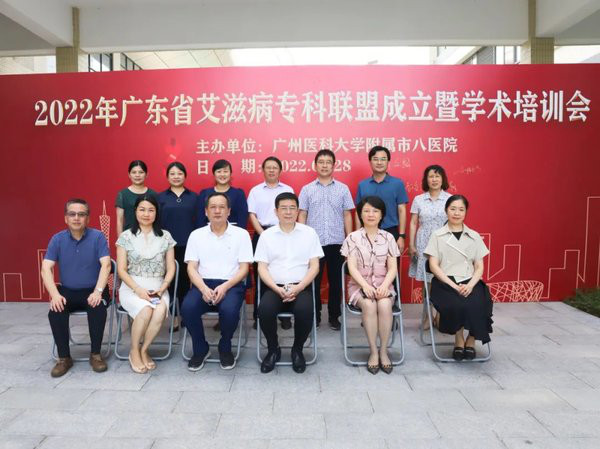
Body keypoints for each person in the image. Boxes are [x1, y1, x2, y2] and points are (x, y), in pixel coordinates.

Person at [181, 192, 253, 371]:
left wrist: (226, 286)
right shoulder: (196, 235)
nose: (217, 211)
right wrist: (203, 288)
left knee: (229, 310)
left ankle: (225, 346)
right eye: (213, 207)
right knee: (188, 308)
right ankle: (200, 348)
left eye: (222, 207)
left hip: (231, 284)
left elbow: (244, 268)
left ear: (229, 211)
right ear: (206, 211)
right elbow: (191, 268)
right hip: (203, 283)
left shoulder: (241, 234)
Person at [42, 199, 111, 377]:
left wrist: (98, 291)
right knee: (56, 310)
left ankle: (96, 355)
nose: (76, 218)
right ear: (66, 218)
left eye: (81, 214)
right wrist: (55, 295)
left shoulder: (98, 237)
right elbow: (46, 268)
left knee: (97, 308)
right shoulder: (57, 239)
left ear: (88, 218)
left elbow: (106, 265)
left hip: (94, 289)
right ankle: (64, 358)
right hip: (68, 290)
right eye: (72, 214)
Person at [255, 192, 323, 373]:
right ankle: (273, 349)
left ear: (298, 211)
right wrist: (277, 289)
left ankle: (297, 350)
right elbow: (262, 268)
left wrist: (299, 287)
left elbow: (314, 266)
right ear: (276, 211)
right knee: (264, 310)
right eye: (284, 208)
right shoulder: (266, 235)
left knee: (305, 310)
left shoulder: (309, 233)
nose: (288, 212)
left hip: (301, 287)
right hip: (274, 287)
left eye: (292, 208)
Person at [424, 194, 493, 361]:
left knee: (479, 302)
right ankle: (459, 339)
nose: (456, 213)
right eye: (453, 209)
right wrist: (454, 286)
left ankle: (471, 339)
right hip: (445, 281)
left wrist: (470, 285)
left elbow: (479, 267)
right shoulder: (437, 235)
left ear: (466, 212)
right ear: (446, 210)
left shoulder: (474, 235)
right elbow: (433, 266)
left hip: (470, 281)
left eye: (461, 209)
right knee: (456, 303)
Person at [116, 195, 176, 373]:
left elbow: (171, 267)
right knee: (146, 309)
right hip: (132, 287)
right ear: (135, 212)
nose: (146, 214)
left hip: (158, 287)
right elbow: (121, 270)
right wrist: (138, 290)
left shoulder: (165, 236)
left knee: (160, 311)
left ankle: (144, 350)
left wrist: (163, 287)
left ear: (156, 213)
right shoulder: (126, 236)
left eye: (151, 210)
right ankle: (134, 350)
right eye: (142, 209)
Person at [341, 196, 400, 374]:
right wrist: (365, 286)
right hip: (359, 286)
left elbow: (393, 268)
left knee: (384, 304)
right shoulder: (352, 238)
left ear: (382, 215)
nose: (371, 214)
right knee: (369, 304)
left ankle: (384, 352)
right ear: (360, 214)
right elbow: (351, 267)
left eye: (375, 211)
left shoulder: (389, 237)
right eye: (366, 211)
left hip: (384, 285)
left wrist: (385, 286)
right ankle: (373, 352)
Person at [298, 149, 354, 330]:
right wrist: (301, 240)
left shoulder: (343, 188)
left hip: (337, 242)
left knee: (336, 282)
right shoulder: (307, 189)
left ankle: (334, 316)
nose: (324, 165)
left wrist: (350, 240)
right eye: (321, 162)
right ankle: (314, 316)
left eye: (328, 162)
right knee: (312, 282)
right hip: (313, 243)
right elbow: (302, 214)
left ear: (334, 165)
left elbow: (347, 215)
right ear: (315, 165)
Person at [247, 156, 294, 329]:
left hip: (285, 234)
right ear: (263, 170)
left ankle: (285, 315)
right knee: (261, 275)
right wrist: (264, 234)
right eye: (268, 167)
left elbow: (291, 213)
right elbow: (252, 214)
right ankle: (259, 315)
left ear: (280, 170)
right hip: (262, 234)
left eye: (275, 167)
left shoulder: (288, 190)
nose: (272, 170)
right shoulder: (255, 191)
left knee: (285, 272)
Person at [408, 165, 451, 329]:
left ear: (442, 179)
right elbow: (413, 223)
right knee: (427, 283)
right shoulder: (419, 199)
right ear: (426, 180)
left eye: (437, 176)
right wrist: (411, 244)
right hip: (424, 243)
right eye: (431, 176)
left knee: (443, 280)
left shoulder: (450, 199)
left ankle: (440, 315)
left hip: (444, 243)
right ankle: (427, 316)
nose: (434, 179)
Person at [158, 162, 198, 331]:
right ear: (167, 177)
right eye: (172, 174)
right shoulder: (160, 197)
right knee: (171, 282)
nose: (176, 177)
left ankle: (187, 316)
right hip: (168, 247)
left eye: (179, 173)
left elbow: (199, 222)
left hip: (190, 247)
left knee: (187, 283)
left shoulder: (194, 197)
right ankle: (174, 318)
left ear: (185, 176)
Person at [355, 146, 409, 252]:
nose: (379, 162)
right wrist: (357, 234)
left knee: (392, 262)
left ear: (388, 161)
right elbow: (358, 211)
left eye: (383, 159)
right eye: (375, 159)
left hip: (391, 231)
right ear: (370, 162)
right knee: (366, 262)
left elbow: (402, 210)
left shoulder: (397, 183)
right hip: (367, 232)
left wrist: (401, 236)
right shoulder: (363, 185)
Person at [197, 159, 248, 229]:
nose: (222, 174)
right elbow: (200, 219)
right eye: (219, 171)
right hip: (209, 232)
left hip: (233, 232)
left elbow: (242, 219)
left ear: (230, 173)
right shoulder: (204, 194)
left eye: (225, 171)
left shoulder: (239, 194)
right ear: (214, 174)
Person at [115, 160, 158, 236]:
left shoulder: (153, 194)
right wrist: (120, 240)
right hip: (129, 236)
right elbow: (120, 220)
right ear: (129, 175)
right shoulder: (123, 194)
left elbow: (157, 218)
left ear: (146, 174)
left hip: (150, 236)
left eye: (141, 172)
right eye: (134, 172)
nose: (137, 175)